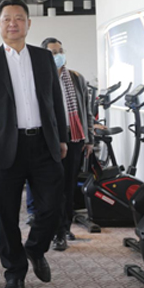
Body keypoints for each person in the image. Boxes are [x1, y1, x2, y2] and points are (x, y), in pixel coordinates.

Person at [0, 0, 67, 288]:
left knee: (53, 206)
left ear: (28, 23)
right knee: (6, 214)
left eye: (19, 18)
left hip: (44, 143)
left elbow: (55, 101)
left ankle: (35, 248)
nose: (13, 24)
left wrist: (61, 137)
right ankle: (14, 272)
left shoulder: (43, 58)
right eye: (7, 19)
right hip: (4, 147)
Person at [41, 37, 94, 251]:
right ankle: (53, 228)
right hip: (49, 139)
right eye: (53, 52)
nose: (58, 55)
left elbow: (87, 109)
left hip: (74, 137)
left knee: (69, 186)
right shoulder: (40, 77)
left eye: (60, 51)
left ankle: (63, 229)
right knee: (51, 187)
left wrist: (89, 138)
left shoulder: (76, 78)